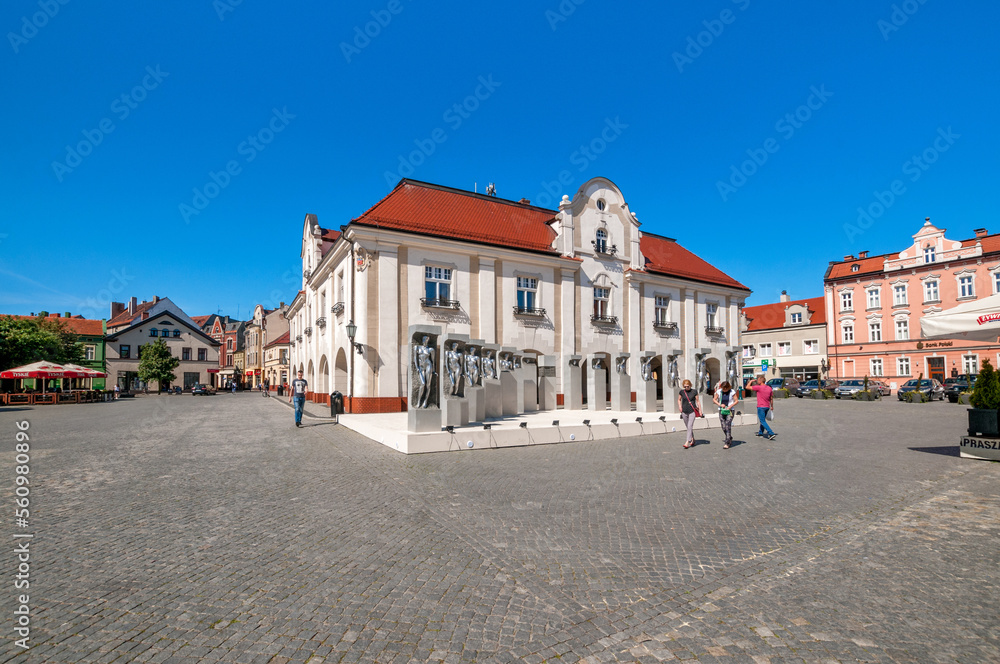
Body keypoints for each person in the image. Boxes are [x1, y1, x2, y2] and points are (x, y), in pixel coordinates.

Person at [713, 380, 739, 449]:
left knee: (727, 425)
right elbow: (714, 399)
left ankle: (727, 442)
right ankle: (729, 437)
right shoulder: (719, 392)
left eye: (726, 389)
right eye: (723, 389)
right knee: (723, 426)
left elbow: (736, 401)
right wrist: (720, 404)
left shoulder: (732, 392)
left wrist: (730, 406)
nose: (724, 390)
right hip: (721, 410)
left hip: (730, 411)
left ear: (728, 387)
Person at [677, 378, 702, 449]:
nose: (686, 388)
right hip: (684, 411)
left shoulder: (694, 391)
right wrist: (680, 406)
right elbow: (679, 399)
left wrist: (700, 410)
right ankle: (693, 439)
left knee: (690, 426)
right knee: (688, 427)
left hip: (692, 411)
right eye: (685, 386)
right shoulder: (681, 392)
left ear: (690, 385)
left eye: (687, 386)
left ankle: (687, 441)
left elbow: (697, 401)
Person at [750, 374, 776, 440]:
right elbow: (771, 398)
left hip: (761, 406)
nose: (757, 381)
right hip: (767, 406)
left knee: (762, 421)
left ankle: (771, 433)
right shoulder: (769, 388)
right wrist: (772, 406)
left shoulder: (758, 387)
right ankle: (760, 432)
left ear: (760, 381)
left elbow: (747, 387)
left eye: (758, 380)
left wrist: (751, 381)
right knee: (763, 420)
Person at [414, 335, 436, 408]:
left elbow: (433, 361)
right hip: (421, 367)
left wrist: (434, 370)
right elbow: (415, 358)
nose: (425, 341)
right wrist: (417, 368)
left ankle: (425, 401)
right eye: (424, 339)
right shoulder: (417, 348)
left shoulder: (431, 349)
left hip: (428, 365)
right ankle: (418, 402)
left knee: (428, 385)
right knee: (422, 384)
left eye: (427, 340)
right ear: (422, 340)